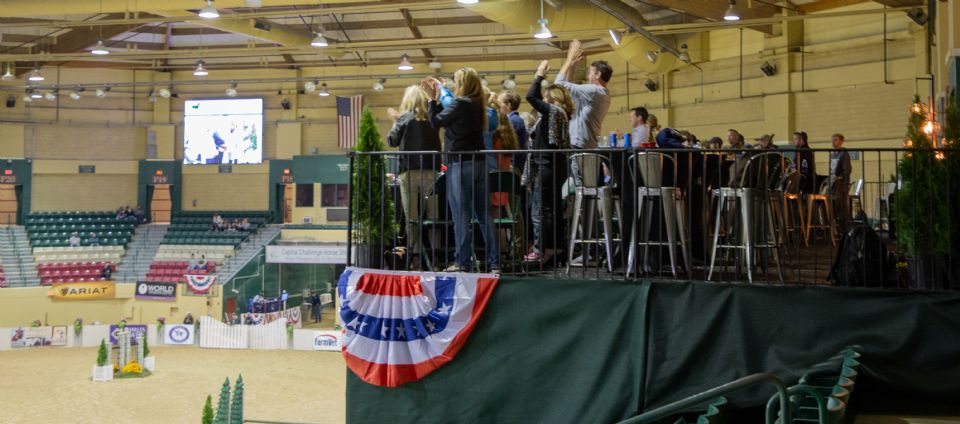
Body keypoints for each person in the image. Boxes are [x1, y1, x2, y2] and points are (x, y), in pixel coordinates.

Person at [422, 67, 500, 274]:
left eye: (456, 81)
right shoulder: (479, 105)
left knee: (461, 215)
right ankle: (495, 262)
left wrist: (431, 99)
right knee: (484, 215)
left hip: (460, 163)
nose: (454, 84)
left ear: (462, 84)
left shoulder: (460, 103)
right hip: (479, 163)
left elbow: (436, 122)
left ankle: (463, 262)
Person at [387, 85, 442, 270]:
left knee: (411, 217)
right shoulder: (433, 117)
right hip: (432, 171)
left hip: (409, 172)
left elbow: (392, 141)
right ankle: (435, 256)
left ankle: (416, 257)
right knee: (433, 216)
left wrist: (395, 121)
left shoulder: (405, 117)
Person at [523, 60, 572, 263]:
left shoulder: (553, 112)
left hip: (547, 166)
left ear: (553, 98)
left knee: (539, 211)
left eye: (546, 97)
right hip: (554, 166)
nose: (543, 99)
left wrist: (539, 75)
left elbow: (530, 96)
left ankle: (539, 250)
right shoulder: (559, 115)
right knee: (552, 211)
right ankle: (554, 249)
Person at [555, 39, 612, 186]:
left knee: (580, 186)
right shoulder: (601, 93)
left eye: (590, 72)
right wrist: (573, 65)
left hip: (578, 146)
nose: (587, 75)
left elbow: (558, 86)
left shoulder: (594, 91)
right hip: (587, 144)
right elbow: (568, 90)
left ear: (598, 74)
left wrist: (569, 59)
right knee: (586, 186)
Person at [497, 90, 529, 173]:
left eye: (499, 103)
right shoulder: (513, 119)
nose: (497, 106)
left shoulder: (513, 120)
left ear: (508, 105)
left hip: (512, 165)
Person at [830, 133, 852, 234]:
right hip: (833, 184)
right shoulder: (833, 153)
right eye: (832, 140)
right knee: (834, 206)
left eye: (836, 140)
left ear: (841, 141)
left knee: (842, 207)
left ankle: (845, 230)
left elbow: (847, 169)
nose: (833, 142)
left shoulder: (844, 153)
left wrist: (840, 178)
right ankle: (838, 229)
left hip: (841, 184)